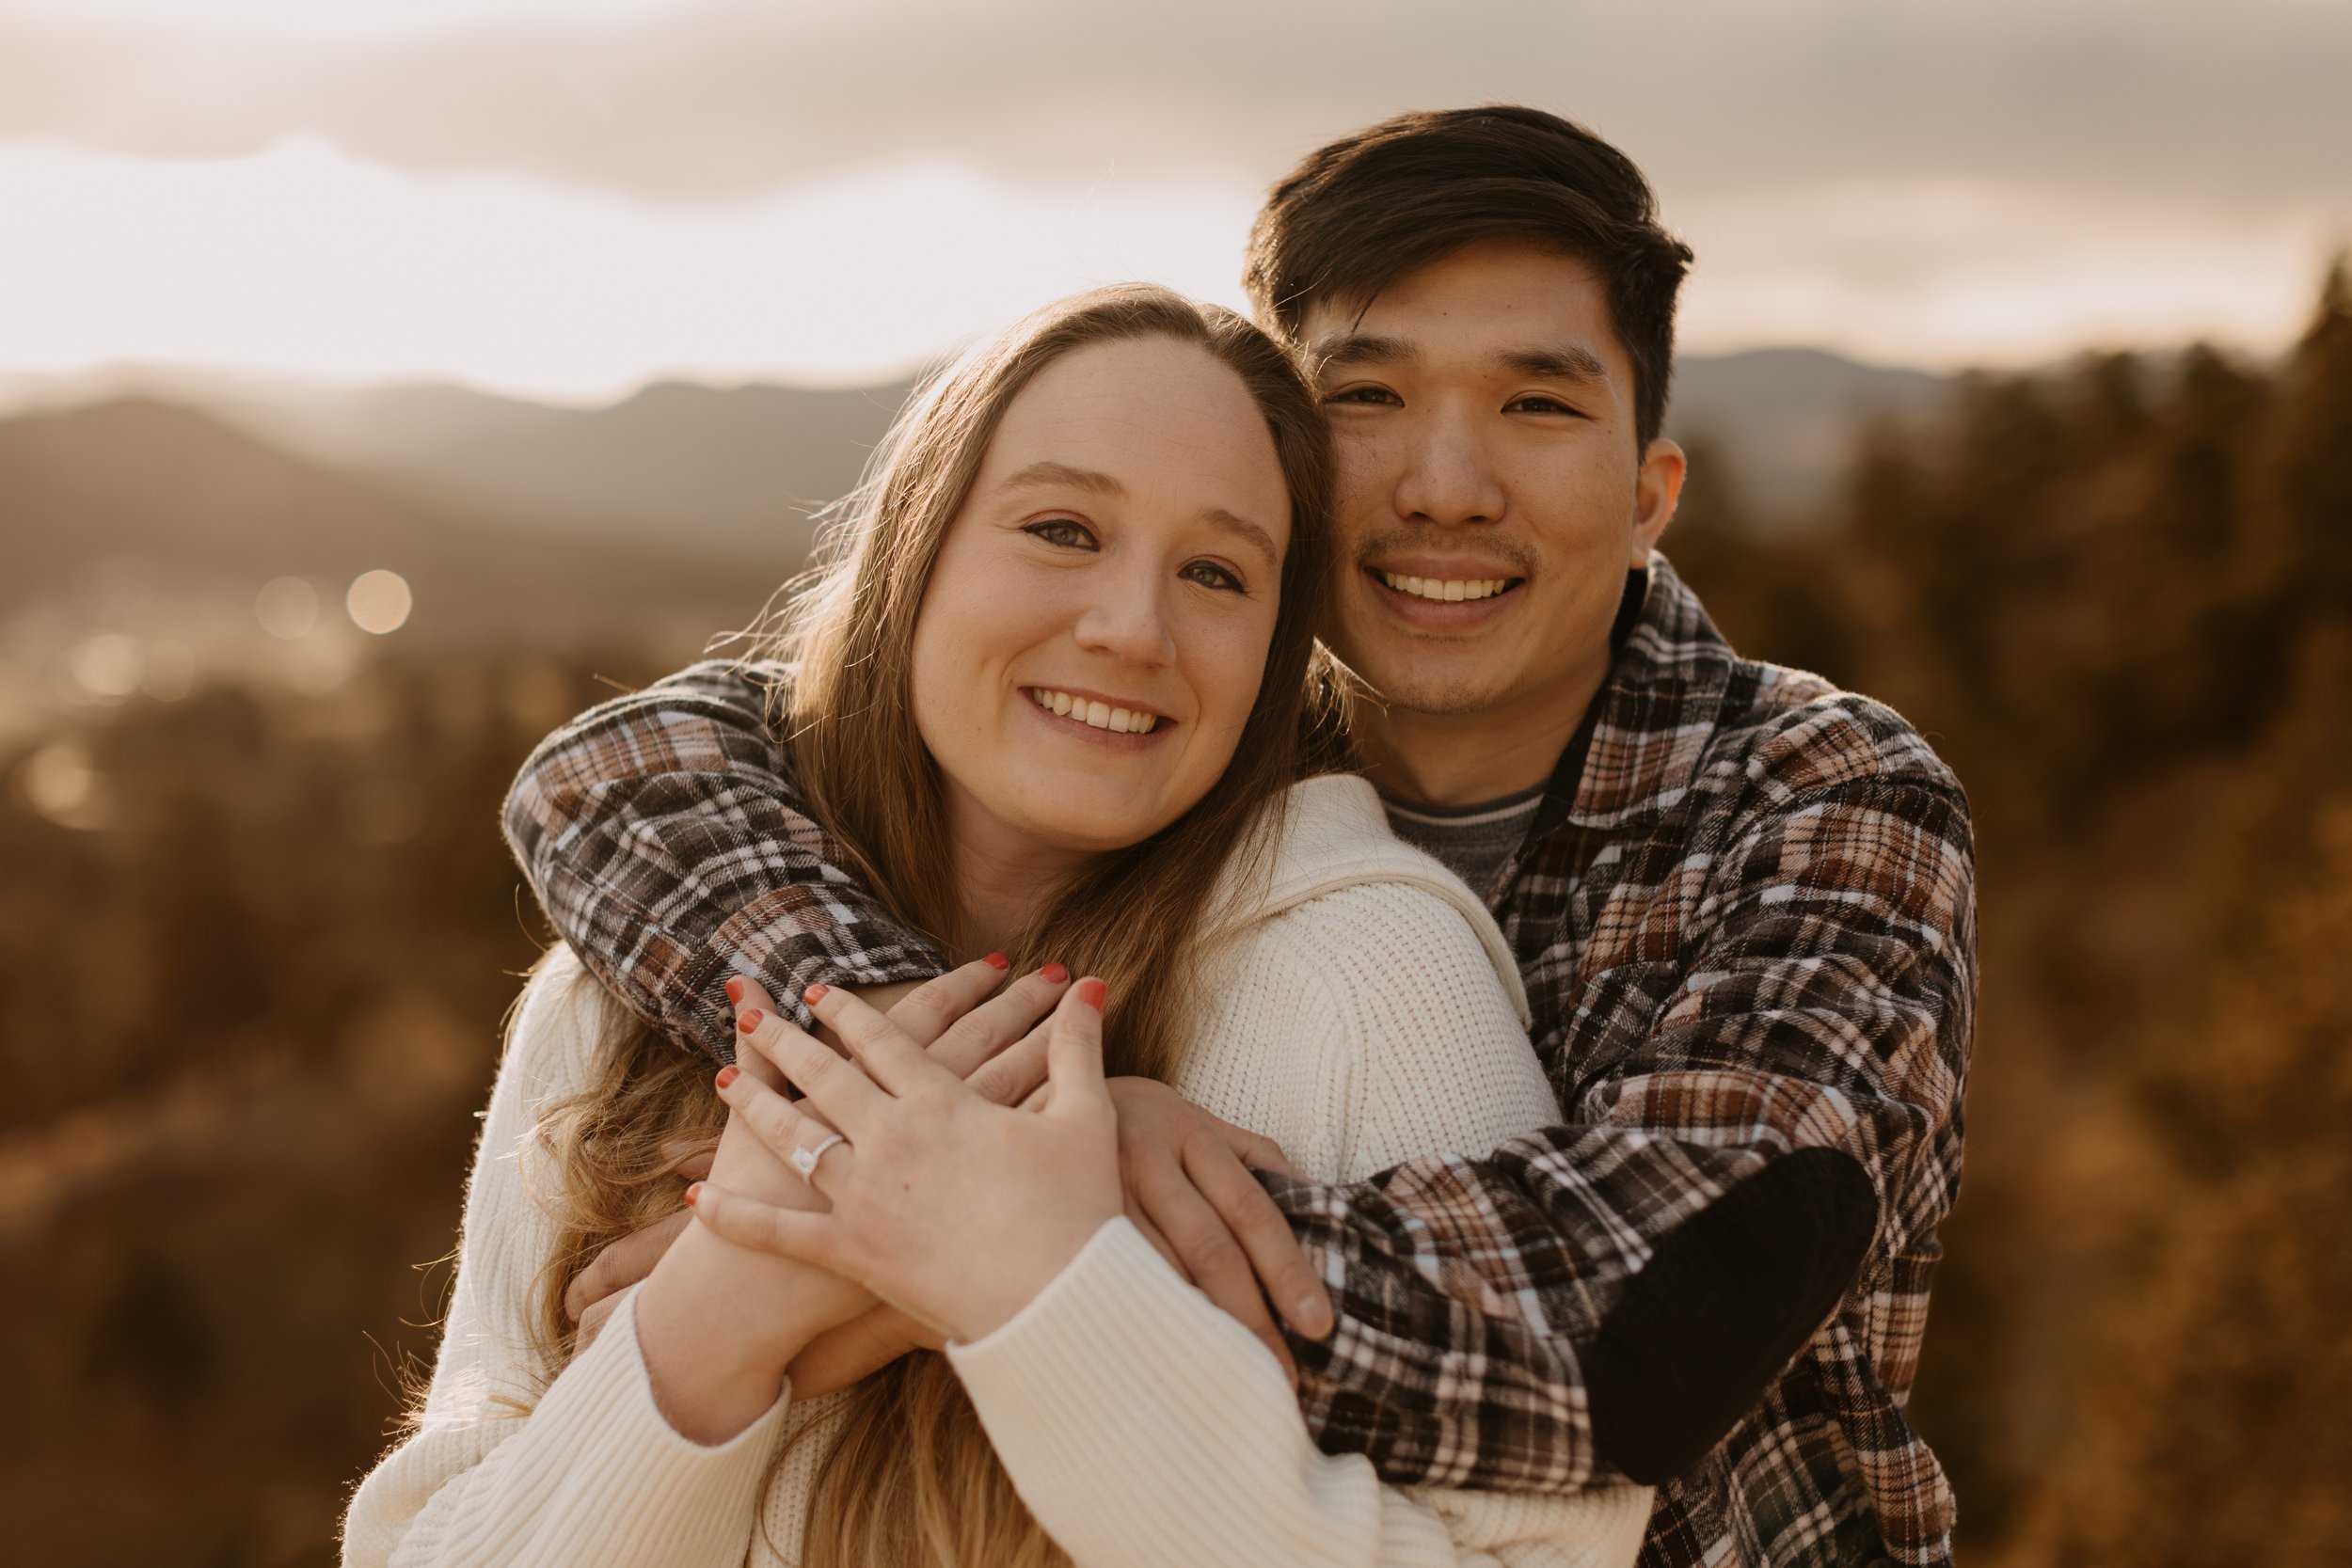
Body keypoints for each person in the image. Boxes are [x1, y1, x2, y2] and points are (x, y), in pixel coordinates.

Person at [501, 109, 1978, 1566]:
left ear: (1651, 493)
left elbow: (1645, 1320)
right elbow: (614, 775)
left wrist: (1010, 1198)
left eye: (1537, 405)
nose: (1445, 486)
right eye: (1367, 398)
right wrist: (955, 1112)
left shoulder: (1815, 798)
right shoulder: (1174, 740)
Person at [343, 285, 1655, 1567]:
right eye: (1063, 530)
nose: (1132, 628)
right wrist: (719, 1316)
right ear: (919, 549)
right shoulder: (616, 997)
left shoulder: (1372, 987)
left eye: (1215, 572)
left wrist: (1044, 1287)